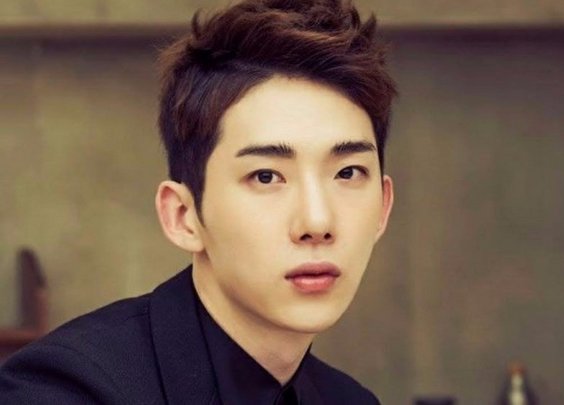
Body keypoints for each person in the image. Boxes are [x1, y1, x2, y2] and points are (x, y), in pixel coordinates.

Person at [0, 0, 396, 403]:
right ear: (183, 216)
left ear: (383, 207)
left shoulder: (349, 399)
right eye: (266, 176)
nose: (317, 222)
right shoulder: (67, 388)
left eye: (348, 173)